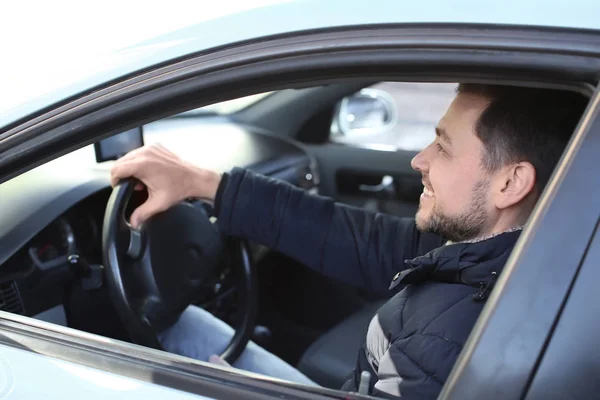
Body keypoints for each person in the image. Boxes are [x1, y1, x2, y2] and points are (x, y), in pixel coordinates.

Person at [110, 83, 586, 399]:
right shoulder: (495, 256)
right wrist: (205, 183)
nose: (418, 160)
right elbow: (362, 240)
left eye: (442, 145)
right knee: (181, 328)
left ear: (511, 183)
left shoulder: (444, 343)